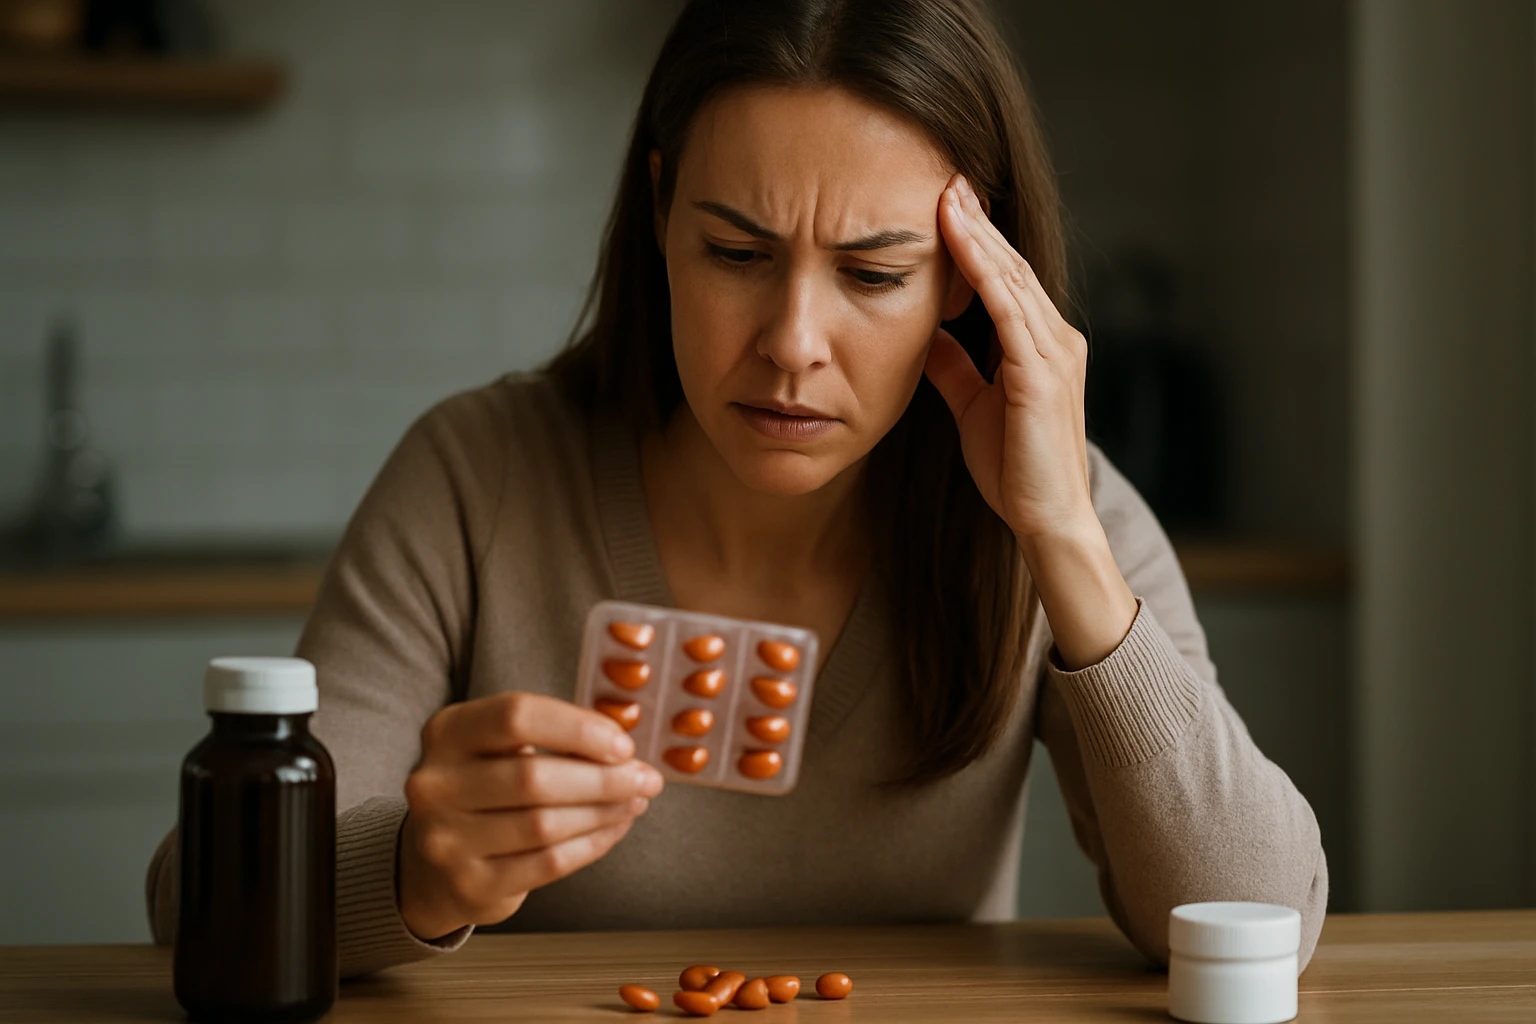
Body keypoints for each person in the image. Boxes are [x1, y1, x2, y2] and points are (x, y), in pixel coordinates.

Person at [147, 0, 1327, 979]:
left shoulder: (1048, 503)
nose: (792, 342)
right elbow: (196, 904)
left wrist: (1062, 535)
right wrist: (411, 868)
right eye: (736, 254)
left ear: (969, 279)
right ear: (660, 212)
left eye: (873, 273)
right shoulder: (477, 475)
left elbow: (1262, 914)